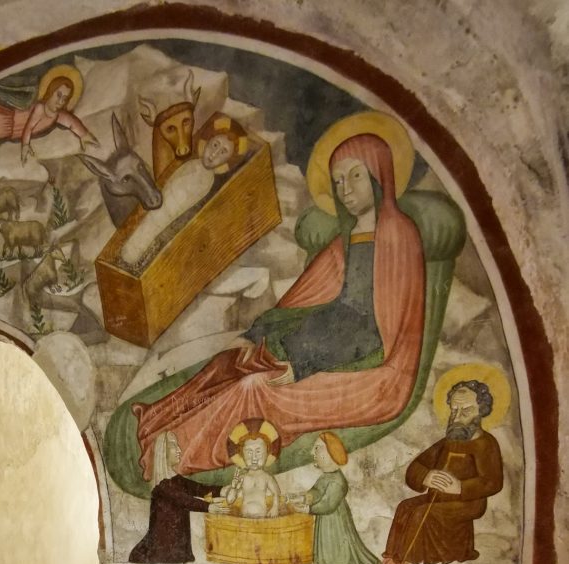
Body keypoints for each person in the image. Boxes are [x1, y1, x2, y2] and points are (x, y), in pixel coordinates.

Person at [130, 113, 426, 482]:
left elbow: (379, 333)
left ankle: (177, 451)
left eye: (354, 176)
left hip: (375, 376)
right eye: (337, 182)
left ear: (380, 174)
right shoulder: (346, 242)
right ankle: (160, 421)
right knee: (234, 358)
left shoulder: (400, 237)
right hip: (322, 341)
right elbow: (299, 299)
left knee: (254, 387)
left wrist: (300, 363)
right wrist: (255, 335)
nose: (345, 190)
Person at [381, 380, 503, 564]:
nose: (456, 418)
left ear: (482, 411)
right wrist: (425, 476)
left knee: (421, 513)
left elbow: (492, 482)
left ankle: (407, 558)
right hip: (438, 497)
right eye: (453, 410)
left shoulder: (486, 444)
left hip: (468, 503)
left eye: (466, 410)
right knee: (405, 507)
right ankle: (393, 554)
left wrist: (460, 487)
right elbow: (416, 466)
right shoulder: (447, 442)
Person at [121, 115, 248, 266]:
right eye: (215, 145)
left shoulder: (207, 180)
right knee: (140, 232)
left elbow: (184, 208)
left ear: (226, 162)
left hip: (167, 220)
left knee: (144, 241)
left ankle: (131, 257)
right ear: (207, 142)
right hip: (157, 209)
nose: (214, 154)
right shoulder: (192, 164)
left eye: (223, 152)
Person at [290, 431, 379, 564]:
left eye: (317, 448)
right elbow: (317, 491)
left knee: (335, 539)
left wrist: (308, 509)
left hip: (335, 518)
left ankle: (339, 562)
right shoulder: (325, 477)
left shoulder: (338, 481)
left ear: (330, 452)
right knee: (327, 540)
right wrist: (306, 497)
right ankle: (328, 560)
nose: (312, 452)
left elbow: (328, 504)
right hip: (326, 518)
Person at [128, 431, 220, 563]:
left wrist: (224, 490)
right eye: (173, 446)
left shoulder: (177, 481)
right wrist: (209, 507)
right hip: (160, 553)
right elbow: (184, 500)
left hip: (176, 549)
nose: (179, 450)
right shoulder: (162, 487)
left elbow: (200, 489)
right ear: (163, 451)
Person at [214, 430, 281, 519]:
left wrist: (275, 507)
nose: (254, 457)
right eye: (249, 452)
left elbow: (276, 492)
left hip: (262, 518)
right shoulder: (243, 478)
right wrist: (234, 488)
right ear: (242, 455)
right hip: (244, 518)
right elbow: (230, 501)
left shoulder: (266, 477)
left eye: (258, 452)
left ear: (266, 453)